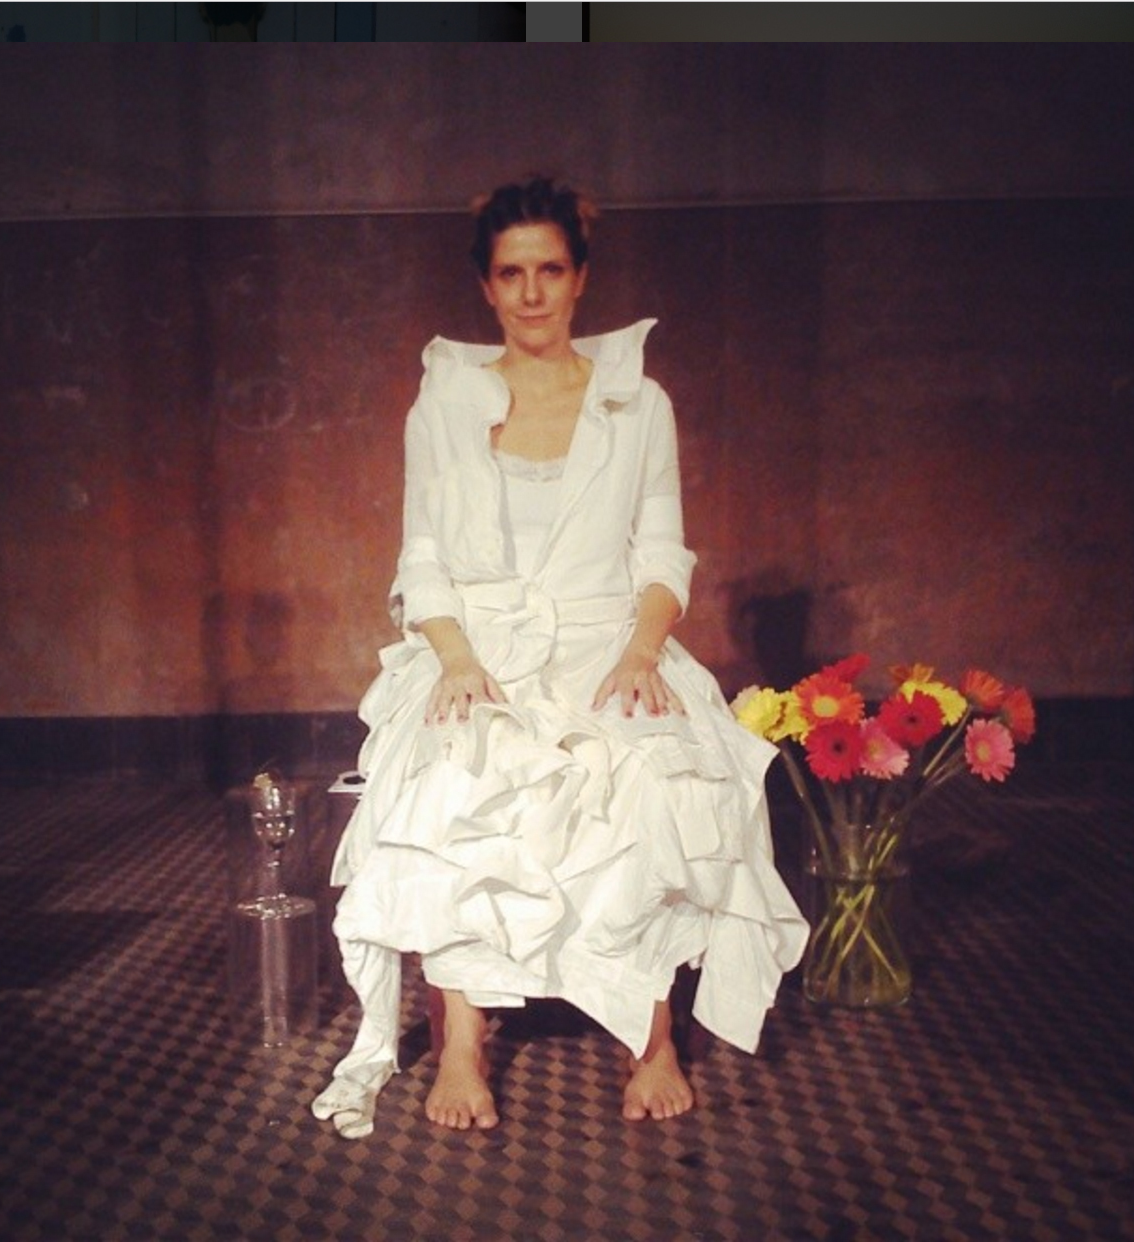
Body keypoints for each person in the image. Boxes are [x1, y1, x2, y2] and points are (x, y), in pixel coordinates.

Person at [312, 176, 807, 1138]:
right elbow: (423, 556)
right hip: (476, 645)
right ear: (486, 287)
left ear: (580, 278)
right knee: (458, 777)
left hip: (610, 639)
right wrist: (455, 659)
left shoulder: (639, 402)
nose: (532, 292)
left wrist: (643, 651)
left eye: (549, 270)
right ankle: (464, 1040)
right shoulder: (442, 406)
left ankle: (650, 1039)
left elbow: (660, 552)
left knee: (647, 778)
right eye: (511, 274)